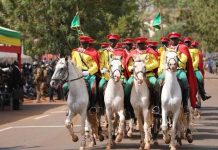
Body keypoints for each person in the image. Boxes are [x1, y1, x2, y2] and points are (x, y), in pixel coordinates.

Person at [158, 32, 197, 113]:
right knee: (157, 82)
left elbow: (185, 59)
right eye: (172, 39)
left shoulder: (183, 48)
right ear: (170, 40)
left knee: (184, 80)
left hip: (179, 70)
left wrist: (175, 62)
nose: (174, 40)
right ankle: (158, 105)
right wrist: (162, 69)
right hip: (168, 71)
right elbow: (162, 61)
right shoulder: (166, 49)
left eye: (175, 39)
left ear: (178, 39)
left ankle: (185, 104)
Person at [71, 35, 99, 112]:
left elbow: (96, 66)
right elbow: (73, 63)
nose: (84, 45)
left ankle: (92, 106)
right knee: (65, 86)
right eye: (82, 43)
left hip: (89, 75)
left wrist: (88, 72)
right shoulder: (75, 52)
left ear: (88, 43)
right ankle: (69, 106)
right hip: (78, 74)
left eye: (86, 43)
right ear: (80, 43)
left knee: (93, 88)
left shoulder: (92, 52)